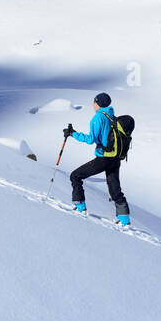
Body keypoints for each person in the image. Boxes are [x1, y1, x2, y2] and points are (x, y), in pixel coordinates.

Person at [64, 92, 131, 226]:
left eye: (94, 102)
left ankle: (79, 206)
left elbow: (90, 139)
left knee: (75, 176)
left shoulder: (98, 118)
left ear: (98, 103)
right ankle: (124, 219)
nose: (93, 104)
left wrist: (72, 134)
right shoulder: (112, 116)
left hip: (103, 159)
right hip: (115, 158)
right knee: (115, 189)